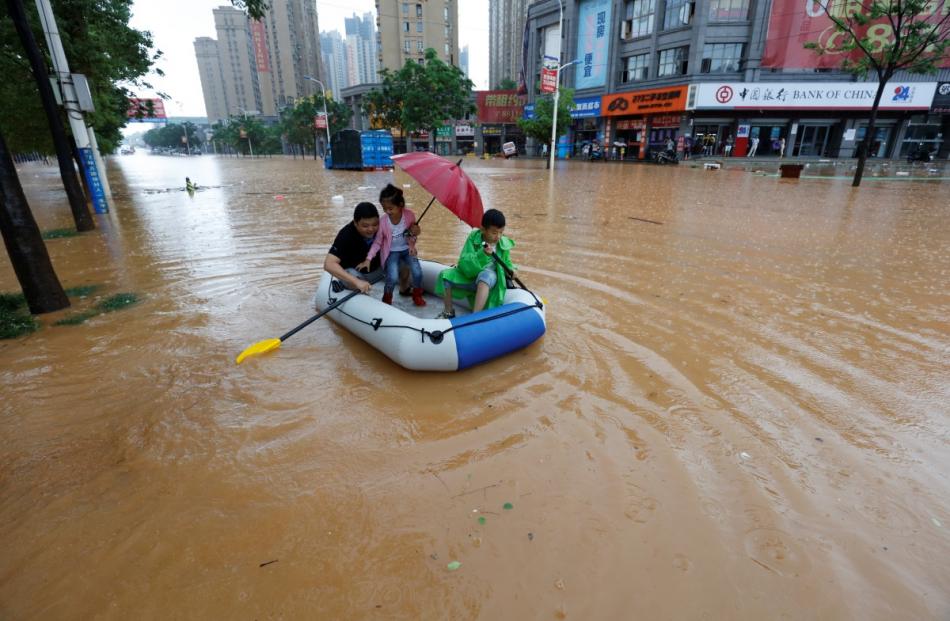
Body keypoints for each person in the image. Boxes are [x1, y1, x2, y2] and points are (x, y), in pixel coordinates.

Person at [435, 209, 515, 319]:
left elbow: (507, 262)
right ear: (483, 229)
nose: (498, 237)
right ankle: (448, 312)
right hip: (471, 276)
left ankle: (475, 316)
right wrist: (483, 254)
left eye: (501, 232)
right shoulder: (474, 237)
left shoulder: (502, 243)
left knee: (485, 276)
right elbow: (464, 263)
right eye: (494, 232)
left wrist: (511, 270)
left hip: (489, 278)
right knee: (445, 276)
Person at [357, 184, 426, 307]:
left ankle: (417, 295)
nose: (387, 212)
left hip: (407, 250)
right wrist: (368, 259)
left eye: (390, 208)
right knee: (392, 277)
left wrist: (413, 239)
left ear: (400, 205)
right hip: (391, 252)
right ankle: (387, 297)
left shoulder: (409, 215)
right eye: (384, 209)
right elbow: (378, 242)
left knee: (418, 272)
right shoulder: (383, 221)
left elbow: (412, 235)